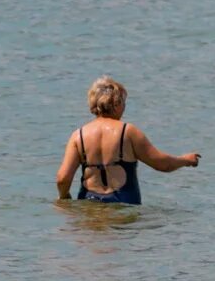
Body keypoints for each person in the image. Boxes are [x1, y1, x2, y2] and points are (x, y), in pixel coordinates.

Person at [54, 76, 199, 204]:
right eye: (123, 102)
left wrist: (64, 197)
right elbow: (162, 164)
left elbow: (62, 178)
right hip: (123, 202)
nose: (125, 106)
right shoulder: (128, 132)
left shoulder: (78, 135)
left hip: (89, 204)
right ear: (116, 104)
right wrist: (186, 160)